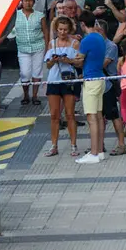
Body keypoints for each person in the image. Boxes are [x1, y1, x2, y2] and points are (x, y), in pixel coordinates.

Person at [72, 10, 108, 164]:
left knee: (91, 117)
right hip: (100, 77)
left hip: (91, 80)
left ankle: (93, 153)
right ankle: (99, 151)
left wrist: (69, 60)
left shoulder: (86, 41)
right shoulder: (100, 38)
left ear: (82, 24)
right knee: (99, 116)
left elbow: (79, 61)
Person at [44, 17, 81, 157]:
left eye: (65, 29)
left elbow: (79, 63)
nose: (62, 32)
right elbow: (47, 65)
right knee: (54, 115)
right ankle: (54, 145)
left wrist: (69, 60)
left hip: (69, 80)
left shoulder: (75, 43)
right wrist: (53, 61)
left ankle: (73, 145)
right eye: (60, 29)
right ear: (56, 29)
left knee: (70, 114)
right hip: (54, 80)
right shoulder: (52, 43)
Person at [97, 20, 126, 156]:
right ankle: (99, 145)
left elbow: (103, 64)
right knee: (98, 116)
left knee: (114, 115)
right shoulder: (95, 45)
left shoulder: (111, 46)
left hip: (108, 86)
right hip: (96, 85)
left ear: (101, 31)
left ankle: (122, 144)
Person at [15, 0, 49, 106]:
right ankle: (25, 95)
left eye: (30, 1)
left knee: (37, 72)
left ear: (33, 2)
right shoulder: (16, 15)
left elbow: (45, 31)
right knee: (25, 73)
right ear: (22, 2)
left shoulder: (40, 16)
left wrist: (47, 47)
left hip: (38, 47)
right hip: (23, 48)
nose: (28, 3)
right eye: (26, 1)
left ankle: (35, 96)